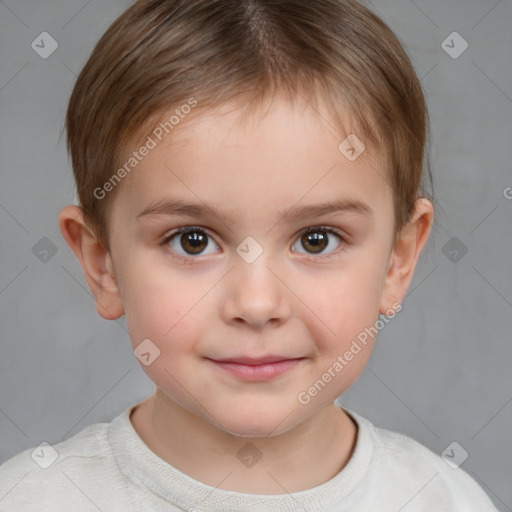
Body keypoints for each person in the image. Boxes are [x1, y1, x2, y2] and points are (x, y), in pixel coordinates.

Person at [0, 0, 498, 510]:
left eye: (316, 239)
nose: (257, 305)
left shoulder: (446, 500)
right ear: (102, 264)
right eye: (192, 240)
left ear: (398, 259)